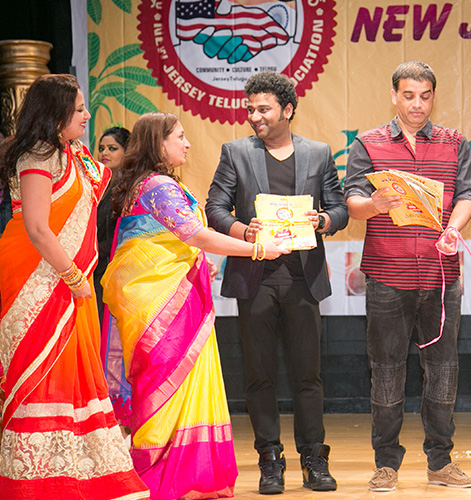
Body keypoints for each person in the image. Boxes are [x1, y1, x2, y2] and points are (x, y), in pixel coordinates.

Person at [101, 112, 287, 500]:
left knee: (163, 388)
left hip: (160, 302)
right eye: (180, 137)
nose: (187, 143)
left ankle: (176, 472)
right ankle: (167, 475)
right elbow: (196, 235)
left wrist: (199, 260)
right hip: (161, 309)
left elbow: (169, 242)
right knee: (168, 388)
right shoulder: (159, 186)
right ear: (159, 144)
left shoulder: (144, 185)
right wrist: (257, 249)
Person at [0, 74, 149, 500]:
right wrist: (74, 276)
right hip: (36, 280)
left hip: (69, 279)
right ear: (56, 113)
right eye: (79, 108)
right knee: (40, 376)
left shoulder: (75, 154)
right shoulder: (37, 154)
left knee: (74, 376)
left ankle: (78, 473)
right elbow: (36, 227)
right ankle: (36, 480)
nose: (86, 115)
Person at [206, 71, 347, 494]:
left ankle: (314, 460)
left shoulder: (318, 153)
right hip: (256, 280)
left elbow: (339, 208)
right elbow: (215, 208)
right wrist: (243, 231)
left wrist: (323, 220)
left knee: (308, 376)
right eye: (250, 109)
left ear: (288, 110)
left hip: (304, 280)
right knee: (259, 376)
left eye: (263, 109)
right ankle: (270, 460)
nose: (254, 116)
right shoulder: (235, 152)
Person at [345, 60, 471, 492]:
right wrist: (374, 204)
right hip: (388, 274)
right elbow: (351, 201)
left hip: (442, 275)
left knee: (443, 370)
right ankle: (386, 464)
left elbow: (468, 193)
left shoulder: (454, 143)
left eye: (424, 96)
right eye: (408, 95)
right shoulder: (367, 143)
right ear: (394, 96)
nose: (417, 104)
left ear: (433, 96)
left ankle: (440, 462)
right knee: (386, 370)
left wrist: (454, 227)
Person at [95, 126, 130, 316]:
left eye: (112, 148)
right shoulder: (98, 185)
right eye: (101, 148)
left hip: (116, 270)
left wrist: (93, 250)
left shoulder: (129, 189)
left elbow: (122, 234)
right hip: (96, 267)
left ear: (127, 152)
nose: (104, 153)